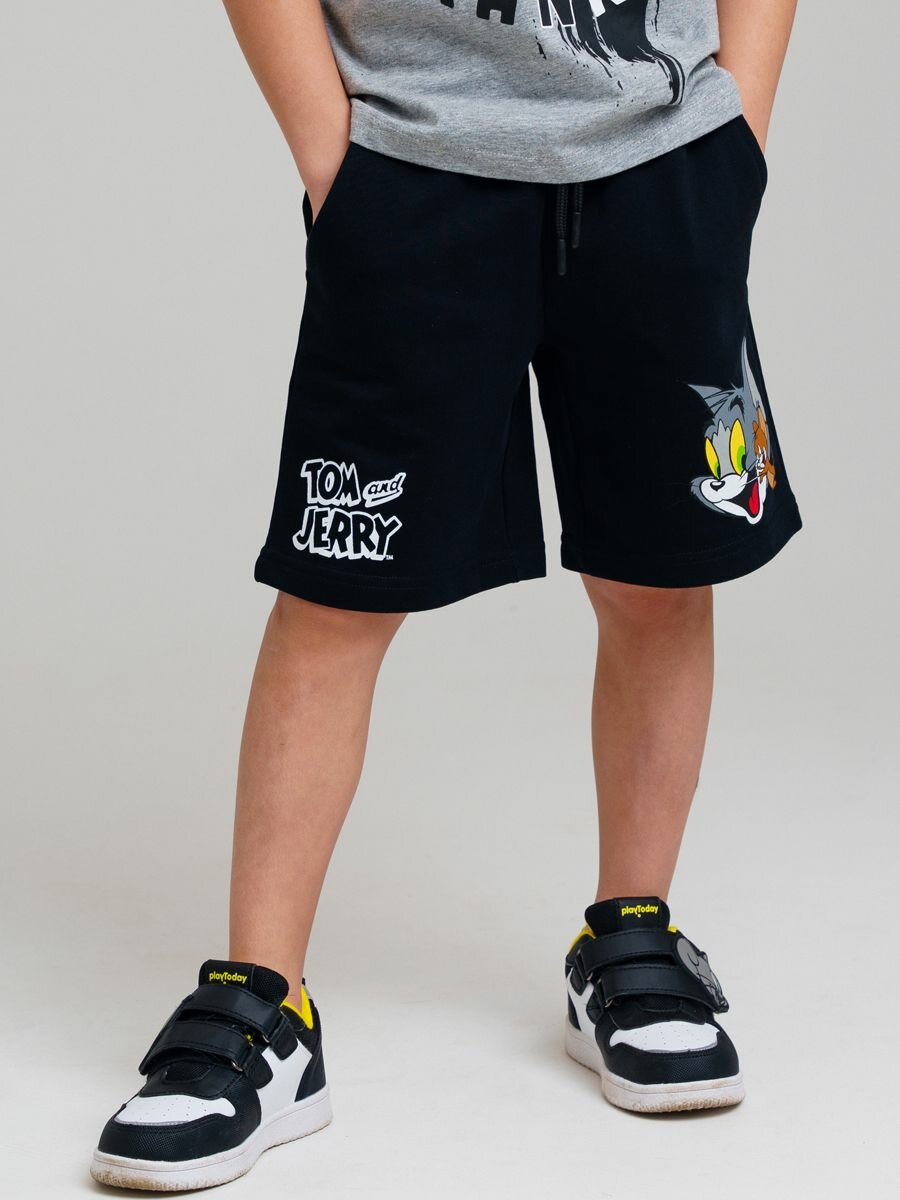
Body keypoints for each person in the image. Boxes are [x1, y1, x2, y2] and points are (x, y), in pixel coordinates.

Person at [91, 0, 801, 1190]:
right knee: (336, 591)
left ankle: (633, 933)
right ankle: (264, 1006)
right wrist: (334, 158)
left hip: (666, 157)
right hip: (409, 166)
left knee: (658, 575)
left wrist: (743, 131)